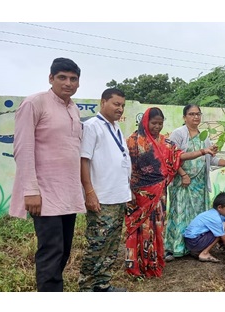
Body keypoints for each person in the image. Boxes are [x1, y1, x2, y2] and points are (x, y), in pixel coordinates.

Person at [9, 57, 86, 292]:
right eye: (62, 77)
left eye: (73, 79)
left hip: (68, 194)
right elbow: (23, 148)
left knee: (63, 250)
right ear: (50, 78)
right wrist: (30, 190)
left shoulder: (73, 108)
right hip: (43, 193)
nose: (68, 83)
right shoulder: (34, 103)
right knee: (51, 251)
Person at [125, 107, 217, 278]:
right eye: (154, 123)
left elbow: (179, 156)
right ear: (145, 122)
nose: (157, 127)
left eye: (160, 124)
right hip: (139, 194)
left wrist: (203, 151)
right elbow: (126, 167)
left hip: (159, 192)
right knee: (140, 229)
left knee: (156, 227)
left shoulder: (165, 142)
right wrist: (126, 189)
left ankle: (152, 263)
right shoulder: (132, 141)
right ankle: (135, 266)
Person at [165, 104, 225, 260]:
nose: (196, 117)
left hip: (199, 184)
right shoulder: (178, 134)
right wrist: (183, 174)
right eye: (192, 114)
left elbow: (211, 159)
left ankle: (193, 247)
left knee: (196, 216)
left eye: (198, 114)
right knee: (180, 214)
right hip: (183, 183)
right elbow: (172, 157)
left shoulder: (204, 136)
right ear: (184, 117)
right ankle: (174, 248)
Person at [78, 88, 130, 292]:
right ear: (103, 102)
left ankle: (102, 284)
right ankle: (87, 287)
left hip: (118, 196)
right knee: (97, 244)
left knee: (112, 244)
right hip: (101, 197)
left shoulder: (116, 128)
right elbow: (83, 160)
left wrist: (127, 192)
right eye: (116, 104)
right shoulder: (92, 126)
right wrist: (89, 192)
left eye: (122, 105)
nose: (120, 108)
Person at [183, 192, 225, 263]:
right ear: (220, 207)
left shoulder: (211, 213)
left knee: (223, 226)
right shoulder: (215, 219)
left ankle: (199, 251)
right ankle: (204, 253)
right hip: (194, 242)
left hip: (190, 240)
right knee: (221, 230)